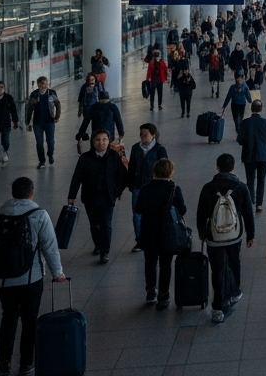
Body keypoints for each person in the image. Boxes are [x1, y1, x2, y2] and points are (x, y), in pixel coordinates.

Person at [0, 176, 65, 376]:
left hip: (3, 280)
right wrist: (58, 273)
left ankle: (5, 362)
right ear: (31, 193)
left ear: (13, 194)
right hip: (31, 277)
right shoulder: (39, 215)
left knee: (8, 317)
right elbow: (49, 247)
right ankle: (27, 364)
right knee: (30, 320)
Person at [196, 154, 255, 324]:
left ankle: (217, 308)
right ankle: (233, 293)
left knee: (218, 270)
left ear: (217, 167)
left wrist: (202, 232)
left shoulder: (207, 188)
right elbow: (248, 214)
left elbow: (201, 213)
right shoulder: (241, 187)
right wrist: (251, 235)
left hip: (214, 237)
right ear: (233, 167)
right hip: (234, 236)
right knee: (234, 263)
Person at [67, 130, 127, 264]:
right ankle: (98, 244)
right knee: (94, 224)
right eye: (98, 140)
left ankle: (105, 251)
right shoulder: (85, 158)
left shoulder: (113, 156)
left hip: (108, 196)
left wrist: (118, 191)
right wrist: (72, 196)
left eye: (104, 139)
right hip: (90, 196)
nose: (101, 142)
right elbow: (77, 177)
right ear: (93, 141)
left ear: (108, 141)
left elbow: (122, 175)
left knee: (106, 223)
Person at [134, 158, 184, 308]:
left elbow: (138, 209)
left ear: (154, 171)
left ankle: (150, 291)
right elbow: (182, 210)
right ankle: (164, 294)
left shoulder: (145, 188)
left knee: (150, 262)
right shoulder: (174, 189)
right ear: (171, 172)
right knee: (166, 264)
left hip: (149, 232)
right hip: (167, 233)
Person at [127, 124, 169, 253]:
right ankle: (140, 241)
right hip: (138, 185)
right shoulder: (136, 148)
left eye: (145, 134)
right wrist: (131, 183)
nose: (142, 137)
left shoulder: (159, 150)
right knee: (137, 214)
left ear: (153, 135)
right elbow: (132, 166)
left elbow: (165, 168)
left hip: (154, 186)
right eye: (141, 134)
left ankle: (155, 238)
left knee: (155, 213)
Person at [236, 100, 266, 212]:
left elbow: (239, 139)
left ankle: (250, 201)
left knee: (250, 179)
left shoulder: (244, 123)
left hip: (248, 155)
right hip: (262, 155)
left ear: (251, 109)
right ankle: (259, 204)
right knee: (261, 180)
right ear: (261, 109)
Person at [25, 76, 61, 169]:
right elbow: (29, 109)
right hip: (38, 123)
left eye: (44, 83)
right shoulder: (34, 94)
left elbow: (58, 104)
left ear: (47, 83)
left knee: (50, 142)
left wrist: (57, 116)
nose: (42, 85)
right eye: (40, 84)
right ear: (38, 84)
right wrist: (27, 122)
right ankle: (42, 161)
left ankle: (50, 154)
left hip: (49, 122)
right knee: (39, 143)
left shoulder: (52, 93)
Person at [145, 47, 168, 111]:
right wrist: (148, 78)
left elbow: (165, 70)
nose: (158, 57)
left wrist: (166, 78)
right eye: (157, 56)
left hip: (160, 80)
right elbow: (149, 71)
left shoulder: (162, 62)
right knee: (152, 93)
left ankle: (159, 105)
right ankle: (152, 105)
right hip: (153, 80)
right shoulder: (152, 63)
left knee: (160, 93)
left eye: (159, 56)